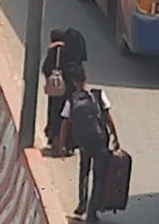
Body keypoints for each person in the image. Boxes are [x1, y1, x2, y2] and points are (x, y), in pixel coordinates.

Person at [57, 65, 120, 224]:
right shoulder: (98, 95)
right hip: (100, 141)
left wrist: (62, 145)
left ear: (73, 81)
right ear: (85, 79)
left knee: (84, 170)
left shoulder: (72, 99)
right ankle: (92, 214)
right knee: (99, 177)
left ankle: (82, 204)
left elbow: (65, 123)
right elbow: (107, 117)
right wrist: (115, 136)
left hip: (84, 142)